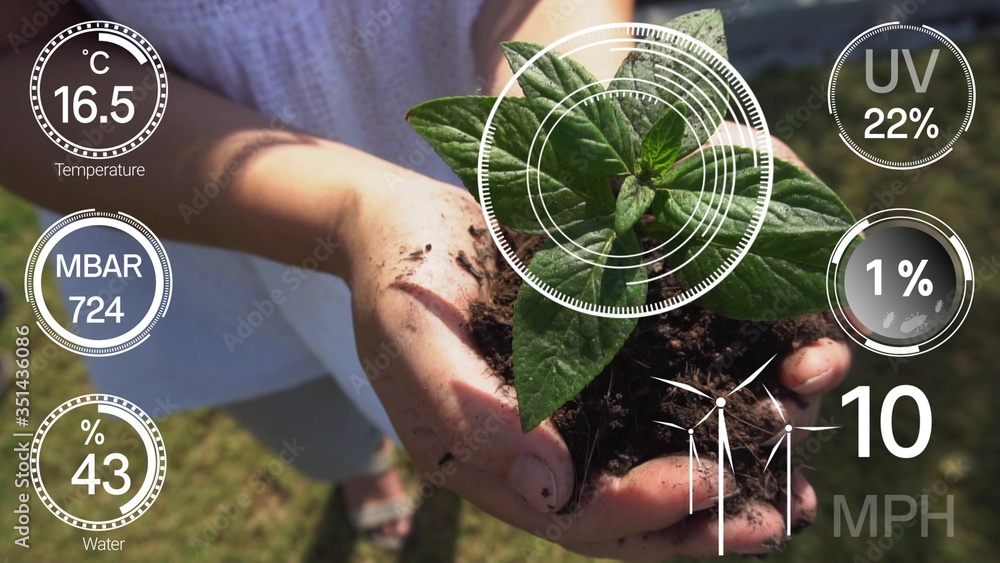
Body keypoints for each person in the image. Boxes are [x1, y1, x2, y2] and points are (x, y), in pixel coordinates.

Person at [0, 0, 852, 557]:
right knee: (302, 411)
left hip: (474, 187)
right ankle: (356, 466)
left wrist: (576, 108)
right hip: (203, 230)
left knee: (441, 384)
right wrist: (346, 210)